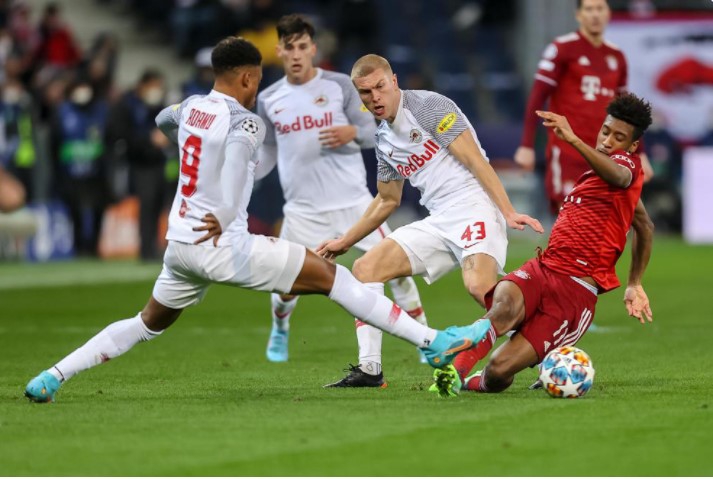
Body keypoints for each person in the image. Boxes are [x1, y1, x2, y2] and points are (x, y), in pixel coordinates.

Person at [24, 37, 488, 403]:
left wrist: (190, 149)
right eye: (257, 80)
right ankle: (435, 342)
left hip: (181, 246)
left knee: (147, 322)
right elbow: (235, 167)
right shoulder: (246, 123)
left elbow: (165, 122)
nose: (257, 89)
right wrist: (226, 214)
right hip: (225, 245)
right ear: (246, 77)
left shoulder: (187, 108)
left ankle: (52, 375)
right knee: (336, 278)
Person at [316, 54, 543, 386]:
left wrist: (507, 211)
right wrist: (344, 241)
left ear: (393, 81)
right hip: (438, 219)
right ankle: (370, 370)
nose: (375, 97)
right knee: (366, 268)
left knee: (480, 288)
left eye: (380, 87)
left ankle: (548, 350)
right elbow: (387, 200)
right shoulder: (384, 140)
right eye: (365, 92)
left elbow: (476, 161)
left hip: (474, 205)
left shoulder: (428, 107)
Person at [432, 92, 654, 397]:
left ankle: (480, 379)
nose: (607, 140)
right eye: (605, 131)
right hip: (543, 268)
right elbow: (644, 223)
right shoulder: (605, 179)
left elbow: (619, 174)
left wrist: (634, 283)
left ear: (632, 146)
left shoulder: (626, 167)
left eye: (619, 137)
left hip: (574, 292)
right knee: (502, 307)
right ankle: (452, 372)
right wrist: (635, 282)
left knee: (498, 372)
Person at [255, 14, 428, 385]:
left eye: (303, 46)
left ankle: (423, 338)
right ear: (279, 50)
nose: (297, 54)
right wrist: (245, 178)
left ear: (313, 49)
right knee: (285, 286)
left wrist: (353, 129)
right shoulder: (269, 99)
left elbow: (373, 130)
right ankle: (280, 328)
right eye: (290, 47)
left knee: (395, 272)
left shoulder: (340, 86)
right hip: (302, 210)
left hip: (355, 205)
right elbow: (268, 150)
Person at [514, 0, 653, 215]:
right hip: (569, 150)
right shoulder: (562, 48)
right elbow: (537, 96)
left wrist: (641, 153)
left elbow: (628, 113)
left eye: (600, 9)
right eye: (589, 9)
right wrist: (526, 145)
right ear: (578, 15)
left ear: (608, 13)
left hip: (606, 153)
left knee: (602, 220)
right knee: (568, 214)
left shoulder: (617, 57)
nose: (595, 15)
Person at [106, 69, 170, 261]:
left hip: (159, 162)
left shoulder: (158, 105)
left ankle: (155, 246)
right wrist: (149, 140)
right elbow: (122, 135)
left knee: (159, 204)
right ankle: (146, 249)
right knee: (147, 204)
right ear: (143, 85)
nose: (157, 90)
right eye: (154, 86)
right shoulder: (127, 106)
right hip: (140, 163)